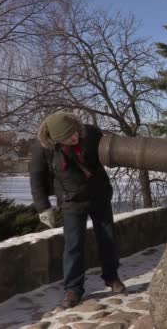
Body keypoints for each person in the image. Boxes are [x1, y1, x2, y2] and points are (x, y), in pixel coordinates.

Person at [29, 111, 126, 309]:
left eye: (74, 132)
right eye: (67, 137)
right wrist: (43, 207)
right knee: (73, 245)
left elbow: (108, 151)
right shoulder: (43, 149)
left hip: (98, 195)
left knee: (107, 238)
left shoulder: (90, 134)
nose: (74, 137)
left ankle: (112, 277)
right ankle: (73, 289)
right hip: (71, 201)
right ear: (55, 139)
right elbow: (36, 179)